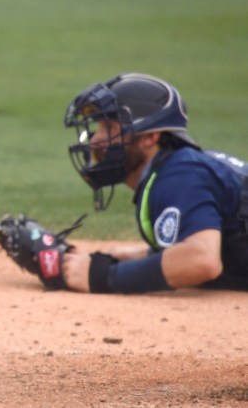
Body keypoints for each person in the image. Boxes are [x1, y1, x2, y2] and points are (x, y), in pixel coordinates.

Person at [61, 73, 248, 294]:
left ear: (150, 137)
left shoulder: (180, 174)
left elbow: (203, 260)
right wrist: (146, 257)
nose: (95, 139)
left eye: (110, 128)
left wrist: (102, 277)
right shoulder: (180, 168)